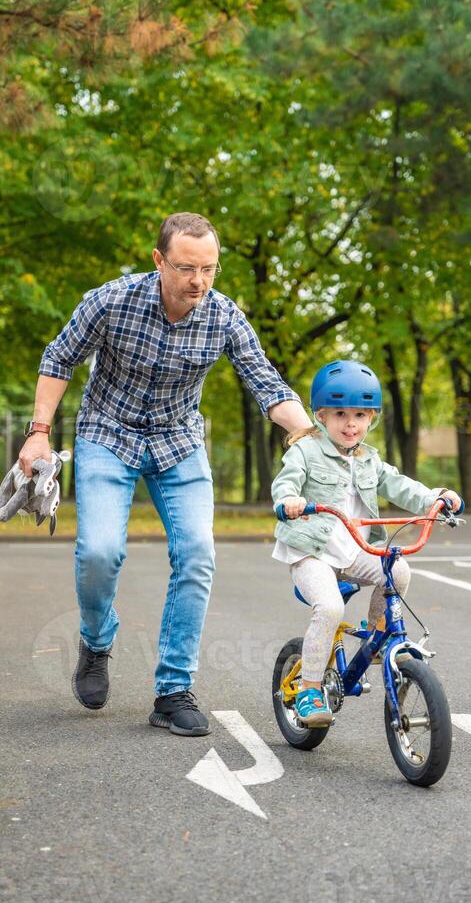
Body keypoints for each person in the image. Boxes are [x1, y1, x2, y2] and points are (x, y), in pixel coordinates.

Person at [19, 212, 312, 736]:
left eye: (210, 269)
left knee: (198, 552)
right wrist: (39, 431)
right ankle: (96, 638)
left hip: (179, 442)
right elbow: (59, 358)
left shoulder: (223, 316)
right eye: (186, 268)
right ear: (159, 261)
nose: (199, 281)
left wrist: (309, 439)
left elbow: (265, 382)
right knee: (100, 552)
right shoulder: (111, 301)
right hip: (108, 435)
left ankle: (173, 690)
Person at [271, 359, 462, 727]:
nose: (350, 423)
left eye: (360, 414)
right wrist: (288, 502)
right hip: (312, 552)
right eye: (340, 414)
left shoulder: (369, 459)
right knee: (329, 609)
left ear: (371, 418)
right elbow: (286, 482)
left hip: (354, 550)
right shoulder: (306, 451)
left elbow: (400, 485)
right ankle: (310, 689)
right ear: (321, 415)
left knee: (398, 570)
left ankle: (376, 634)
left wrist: (435, 498)